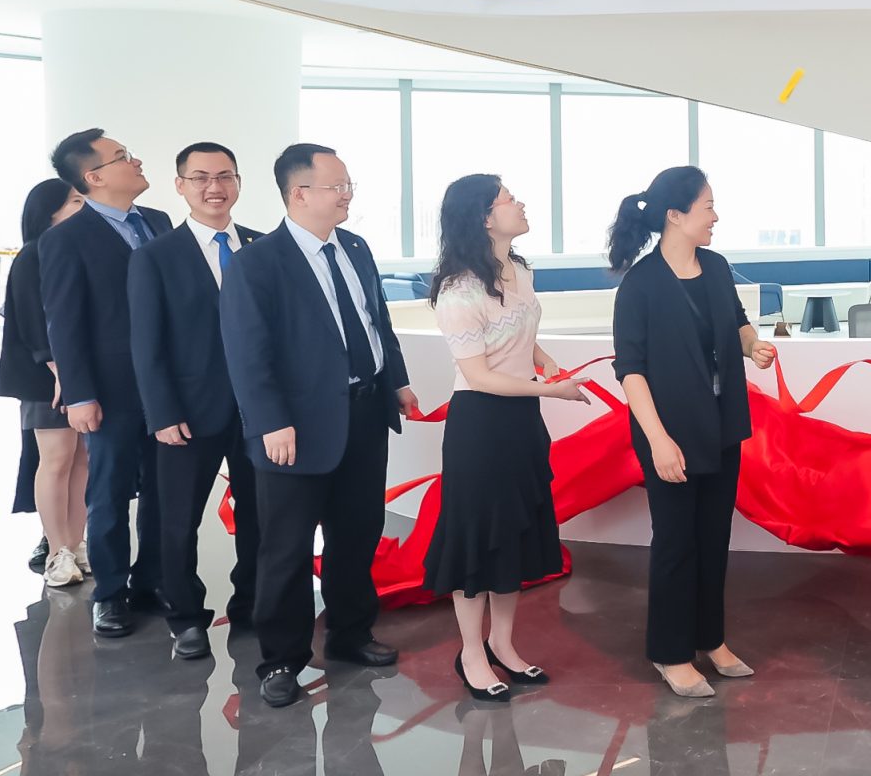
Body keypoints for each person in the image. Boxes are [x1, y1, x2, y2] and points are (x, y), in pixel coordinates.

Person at [219, 143, 419, 710]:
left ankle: (351, 632)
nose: (347, 195)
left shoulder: (354, 247)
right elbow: (247, 354)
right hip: (295, 428)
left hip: (364, 413)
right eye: (338, 186)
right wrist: (271, 422)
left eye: (348, 185)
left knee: (357, 533)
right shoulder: (258, 262)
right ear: (299, 193)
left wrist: (397, 381)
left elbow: (376, 322)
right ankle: (281, 658)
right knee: (286, 546)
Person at [609, 166, 778, 699]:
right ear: (675, 216)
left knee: (713, 537)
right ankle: (671, 652)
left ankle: (711, 639)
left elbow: (737, 321)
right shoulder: (640, 285)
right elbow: (630, 371)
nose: (715, 216)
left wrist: (752, 346)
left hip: (721, 424)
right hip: (670, 432)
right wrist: (658, 440)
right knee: (677, 542)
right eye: (707, 207)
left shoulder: (717, 266)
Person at [427, 173, 590, 699]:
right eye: (508, 200)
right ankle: (471, 653)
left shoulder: (518, 269)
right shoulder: (458, 290)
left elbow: (520, 331)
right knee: (478, 538)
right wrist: (551, 391)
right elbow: (478, 376)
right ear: (483, 217)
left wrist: (545, 362)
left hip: (521, 420)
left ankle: (502, 643)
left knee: (515, 533)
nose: (520, 205)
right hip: (480, 425)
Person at [126, 142, 264, 661]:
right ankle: (185, 617)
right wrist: (161, 413)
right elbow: (147, 344)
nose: (215, 187)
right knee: (177, 520)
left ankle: (252, 605)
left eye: (225, 176)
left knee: (262, 515)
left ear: (238, 182)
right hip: (187, 413)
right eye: (201, 177)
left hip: (259, 412)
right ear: (181, 186)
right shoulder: (155, 256)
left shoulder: (262, 247)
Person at [39, 129, 172, 635]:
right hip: (112, 389)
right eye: (122, 157)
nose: (135, 161)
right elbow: (64, 323)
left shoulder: (158, 222)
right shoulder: (65, 239)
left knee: (164, 489)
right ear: (93, 177)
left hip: (167, 384)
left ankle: (153, 580)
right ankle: (111, 594)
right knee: (110, 492)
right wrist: (79, 394)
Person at [0, 178, 83, 581]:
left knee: (82, 461)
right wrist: (59, 370)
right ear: (49, 212)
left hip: (79, 372)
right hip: (47, 378)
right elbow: (34, 322)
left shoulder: (74, 251)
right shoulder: (33, 254)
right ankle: (56, 551)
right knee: (56, 459)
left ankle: (76, 544)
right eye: (75, 201)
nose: (83, 207)